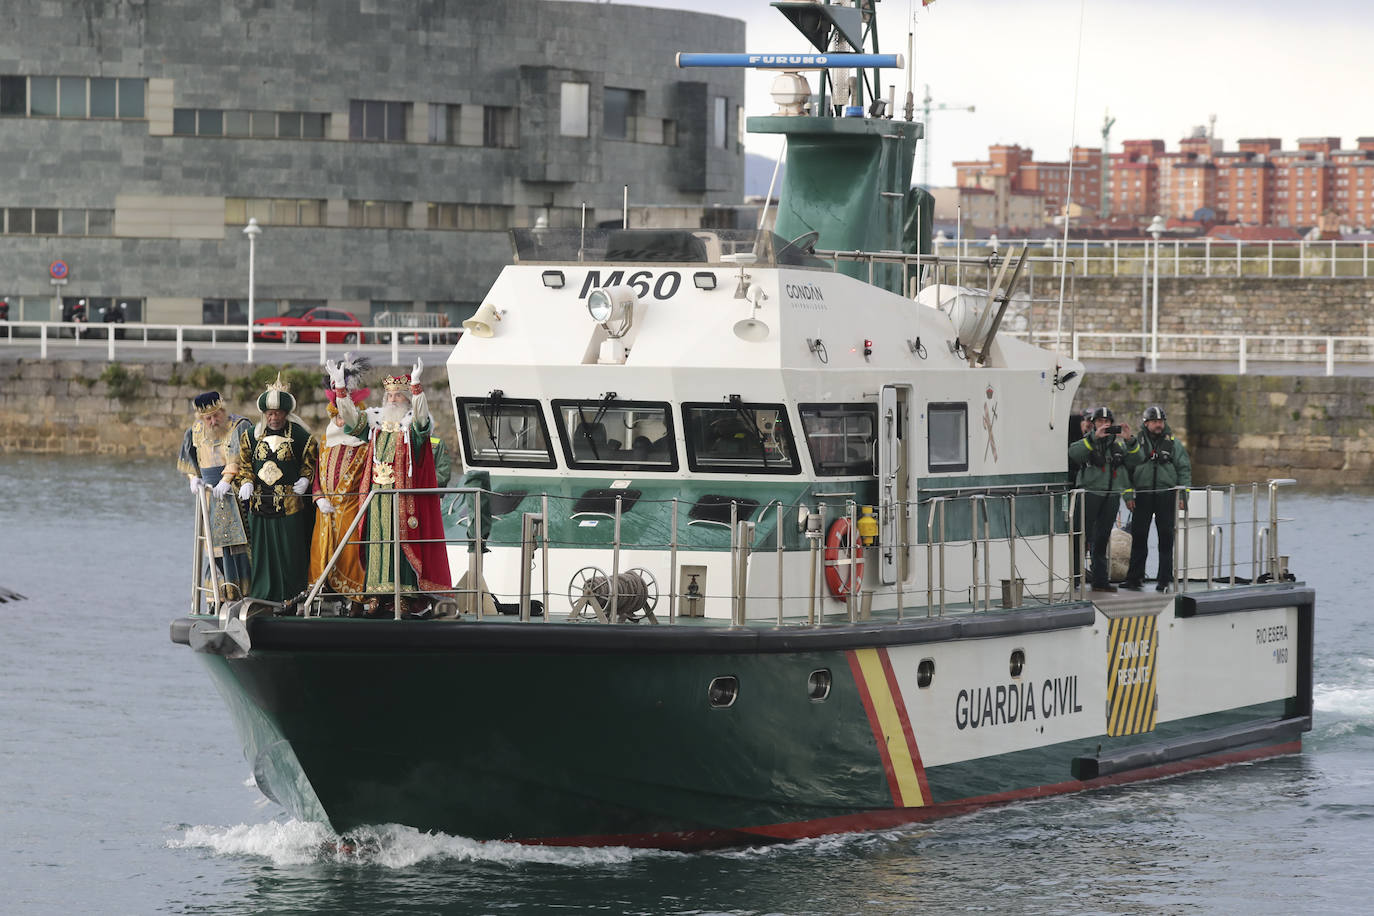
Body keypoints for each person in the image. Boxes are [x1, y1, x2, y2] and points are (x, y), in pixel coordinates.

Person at [334, 359, 451, 616]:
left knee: (402, 544)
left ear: (407, 400)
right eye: (389, 395)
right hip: (376, 497)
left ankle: (405, 595)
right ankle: (376, 594)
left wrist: (418, 386)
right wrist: (341, 390)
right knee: (377, 542)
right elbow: (352, 420)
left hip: (403, 499)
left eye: (399, 395)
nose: (393, 399)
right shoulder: (375, 425)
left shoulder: (412, 429)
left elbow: (422, 421)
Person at [233, 374, 318, 603]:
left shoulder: (300, 436)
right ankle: (262, 593)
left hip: (289, 503)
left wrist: (305, 479)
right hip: (260, 502)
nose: (274, 417)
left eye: (278, 413)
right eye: (270, 413)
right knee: (262, 552)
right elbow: (245, 463)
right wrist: (247, 481)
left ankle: (293, 593)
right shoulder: (251, 436)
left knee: (290, 550)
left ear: (285, 413)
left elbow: (310, 461)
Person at [309, 354, 373, 612]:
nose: (339, 420)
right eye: (335, 415)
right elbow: (317, 471)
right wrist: (318, 496)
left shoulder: (363, 439)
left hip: (351, 507)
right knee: (321, 552)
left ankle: (356, 599)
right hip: (326, 508)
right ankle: (322, 597)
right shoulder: (326, 439)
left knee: (350, 554)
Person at [176, 391, 252, 599]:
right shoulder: (196, 430)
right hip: (209, 497)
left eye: (216, 415)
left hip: (233, 494)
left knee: (238, 547)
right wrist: (193, 478)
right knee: (213, 548)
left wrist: (226, 480)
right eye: (207, 418)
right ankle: (216, 595)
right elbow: (189, 457)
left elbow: (239, 456)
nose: (212, 421)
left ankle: (242, 591)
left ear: (223, 411)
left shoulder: (238, 425)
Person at [1122, 405, 1193, 592]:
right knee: (1138, 538)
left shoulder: (1174, 444)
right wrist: (1128, 495)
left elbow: (1184, 469)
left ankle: (1164, 580)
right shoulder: (1135, 443)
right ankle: (1134, 578)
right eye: (1154, 422)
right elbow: (1125, 471)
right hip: (1142, 496)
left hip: (1166, 495)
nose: (1158, 425)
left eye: (1161, 421)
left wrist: (1183, 495)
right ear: (1146, 424)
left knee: (1166, 538)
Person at [1067, 406, 1137, 593]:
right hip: (1089, 494)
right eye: (1100, 422)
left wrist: (1130, 440)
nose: (1104, 425)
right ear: (1093, 423)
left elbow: (1133, 464)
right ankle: (1073, 578)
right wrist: (1093, 437)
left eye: (1107, 422)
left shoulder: (1118, 446)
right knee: (1080, 538)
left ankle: (1100, 580)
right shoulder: (1086, 442)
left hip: (1111, 496)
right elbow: (1073, 453)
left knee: (1102, 539)